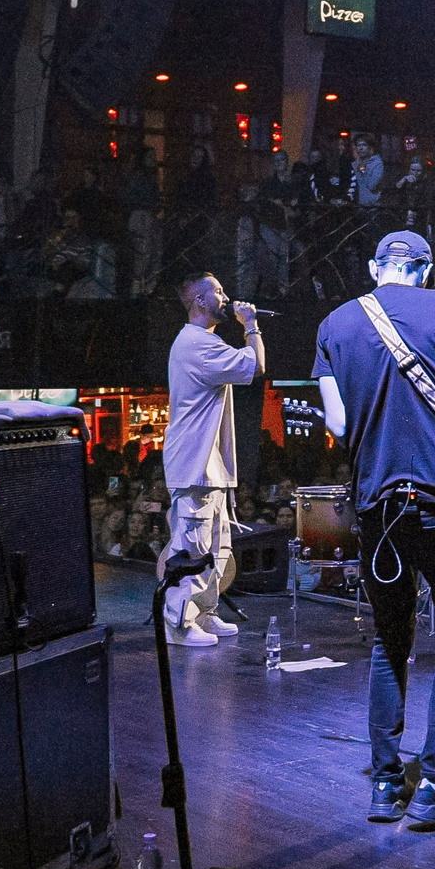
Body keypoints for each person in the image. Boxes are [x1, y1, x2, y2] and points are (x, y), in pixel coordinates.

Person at [314, 230, 435, 830]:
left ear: (375, 268)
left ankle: (383, 787)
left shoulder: (335, 324)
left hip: (378, 506)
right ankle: (433, 789)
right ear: (424, 270)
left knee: (387, 644)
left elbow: (341, 425)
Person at [162, 274, 263, 646]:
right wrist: (251, 327)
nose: (226, 297)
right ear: (200, 302)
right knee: (192, 548)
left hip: (209, 464)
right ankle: (178, 624)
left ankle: (204, 612)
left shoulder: (204, 343)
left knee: (217, 547)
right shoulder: (197, 345)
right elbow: (255, 368)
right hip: (193, 463)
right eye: (217, 292)